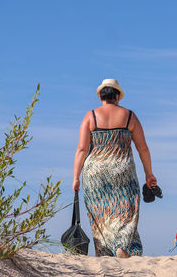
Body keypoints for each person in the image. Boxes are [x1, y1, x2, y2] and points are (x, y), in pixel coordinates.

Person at [72, 79, 158, 258]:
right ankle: (122, 246)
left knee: (101, 214)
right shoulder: (129, 116)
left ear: (100, 96)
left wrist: (76, 177)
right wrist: (149, 174)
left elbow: (81, 149)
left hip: (95, 172)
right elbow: (143, 149)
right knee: (126, 211)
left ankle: (105, 252)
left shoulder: (91, 116)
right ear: (118, 96)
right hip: (122, 169)